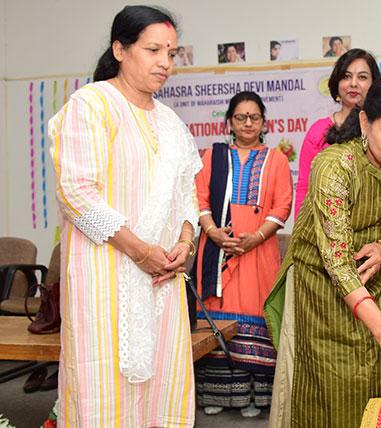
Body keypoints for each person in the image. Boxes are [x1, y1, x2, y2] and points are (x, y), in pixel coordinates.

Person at [48, 6, 200, 426]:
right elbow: (78, 193)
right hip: (107, 277)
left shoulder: (171, 122)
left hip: (163, 281)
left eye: (171, 52)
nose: (165, 63)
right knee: (104, 392)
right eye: (153, 50)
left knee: (163, 392)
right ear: (120, 49)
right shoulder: (91, 104)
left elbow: (188, 196)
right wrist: (139, 251)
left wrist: (183, 246)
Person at [265, 73, 381, 428]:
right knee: (325, 383)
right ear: (364, 122)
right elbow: (337, 260)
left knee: (372, 378)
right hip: (320, 286)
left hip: (376, 281)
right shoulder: (335, 166)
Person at [193, 91, 293, 418]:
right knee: (217, 318)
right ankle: (218, 393)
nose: (248, 123)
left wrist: (257, 237)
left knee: (255, 315)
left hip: (258, 251)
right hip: (217, 251)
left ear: (264, 122)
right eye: (241, 117)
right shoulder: (212, 157)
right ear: (230, 122)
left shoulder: (276, 159)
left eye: (254, 117)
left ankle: (256, 398)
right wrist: (212, 232)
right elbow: (200, 199)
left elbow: (282, 205)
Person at [294, 48, 380, 217]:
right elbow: (305, 184)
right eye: (346, 76)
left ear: (374, 83)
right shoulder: (318, 130)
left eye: (362, 77)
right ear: (337, 82)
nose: (353, 83)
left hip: (372, 222)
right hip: (326, 223)